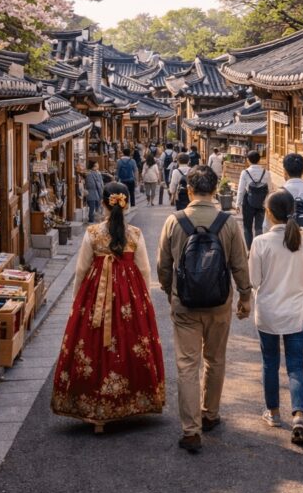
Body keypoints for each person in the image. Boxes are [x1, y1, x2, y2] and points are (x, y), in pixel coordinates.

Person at [52, 182, 165, 433]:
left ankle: (95, 410)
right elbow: (145, 269)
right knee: (128, 342)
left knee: (93, 346)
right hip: (129, 294)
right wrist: (143, 299)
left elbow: (81, 269)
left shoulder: (93, 233)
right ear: (126, 203)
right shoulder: (134, 233)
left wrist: (76, 301)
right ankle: (127, 403)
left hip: (96, 293)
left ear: (103, 203)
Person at [157, 166, 251, 453]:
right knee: (215, 359)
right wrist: (245, 296)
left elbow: (163, 266)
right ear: (214, 191)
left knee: (187, 365)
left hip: (184, 304)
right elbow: (239, 263)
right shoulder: (228, 222)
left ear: (188, 191)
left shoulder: (175, 222)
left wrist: (170, 291)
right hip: (219, 303)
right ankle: (210, 414)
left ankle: (190, 430)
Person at [249, 189, 303, 446]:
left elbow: (253, 280)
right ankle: (298, 414)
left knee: (270, 362)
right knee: (296, 365)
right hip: (297, 311)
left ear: (268, 213)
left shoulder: (260, 242)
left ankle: (274, 413)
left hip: (268, 311)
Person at [236, 150, 270, 249]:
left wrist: (238, 204)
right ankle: (258, 249)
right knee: (259, 227)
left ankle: (249, 249)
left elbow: (241, 189)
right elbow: (270, 190)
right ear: (259, 160)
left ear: (248, 160)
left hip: (248, 202)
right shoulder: (266, 172)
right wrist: (267, 204)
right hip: (262, 202)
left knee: (247, 227)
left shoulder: (245, 172)